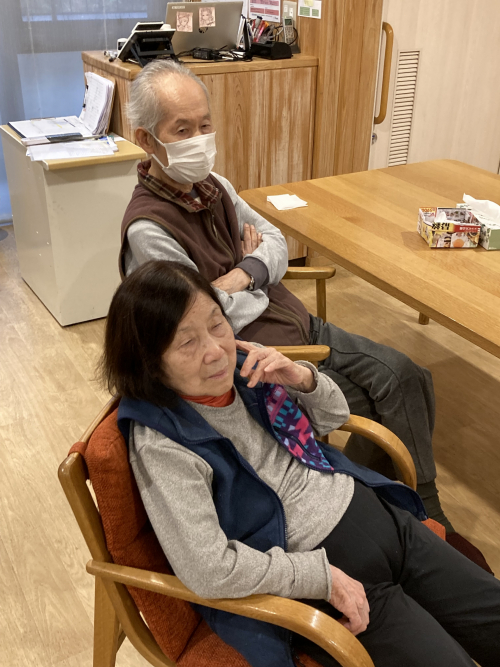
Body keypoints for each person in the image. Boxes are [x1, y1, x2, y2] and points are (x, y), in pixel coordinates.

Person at [118, 58, 491, 570]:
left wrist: (243, 273)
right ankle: (422, 512)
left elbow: (276, 241)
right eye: (182, 130)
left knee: (410, 377)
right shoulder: (148, 232)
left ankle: (394, 506)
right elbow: (206, 322)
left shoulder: (215, 186)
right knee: (391, 389)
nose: (200, 139)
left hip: (297, 322)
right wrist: (257, 276)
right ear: (146, 139)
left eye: (205, 125)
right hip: (260, 356)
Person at [100, 260, 500, 667]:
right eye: (187, 343)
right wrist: (320, 578)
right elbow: (209, 568)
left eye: (217, 324)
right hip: (329, 576)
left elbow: (333, 417)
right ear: (151, 363)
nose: (215, 350)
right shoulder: (163, 442)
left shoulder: (246, 371)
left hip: (384, 521)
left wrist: (302, 379)